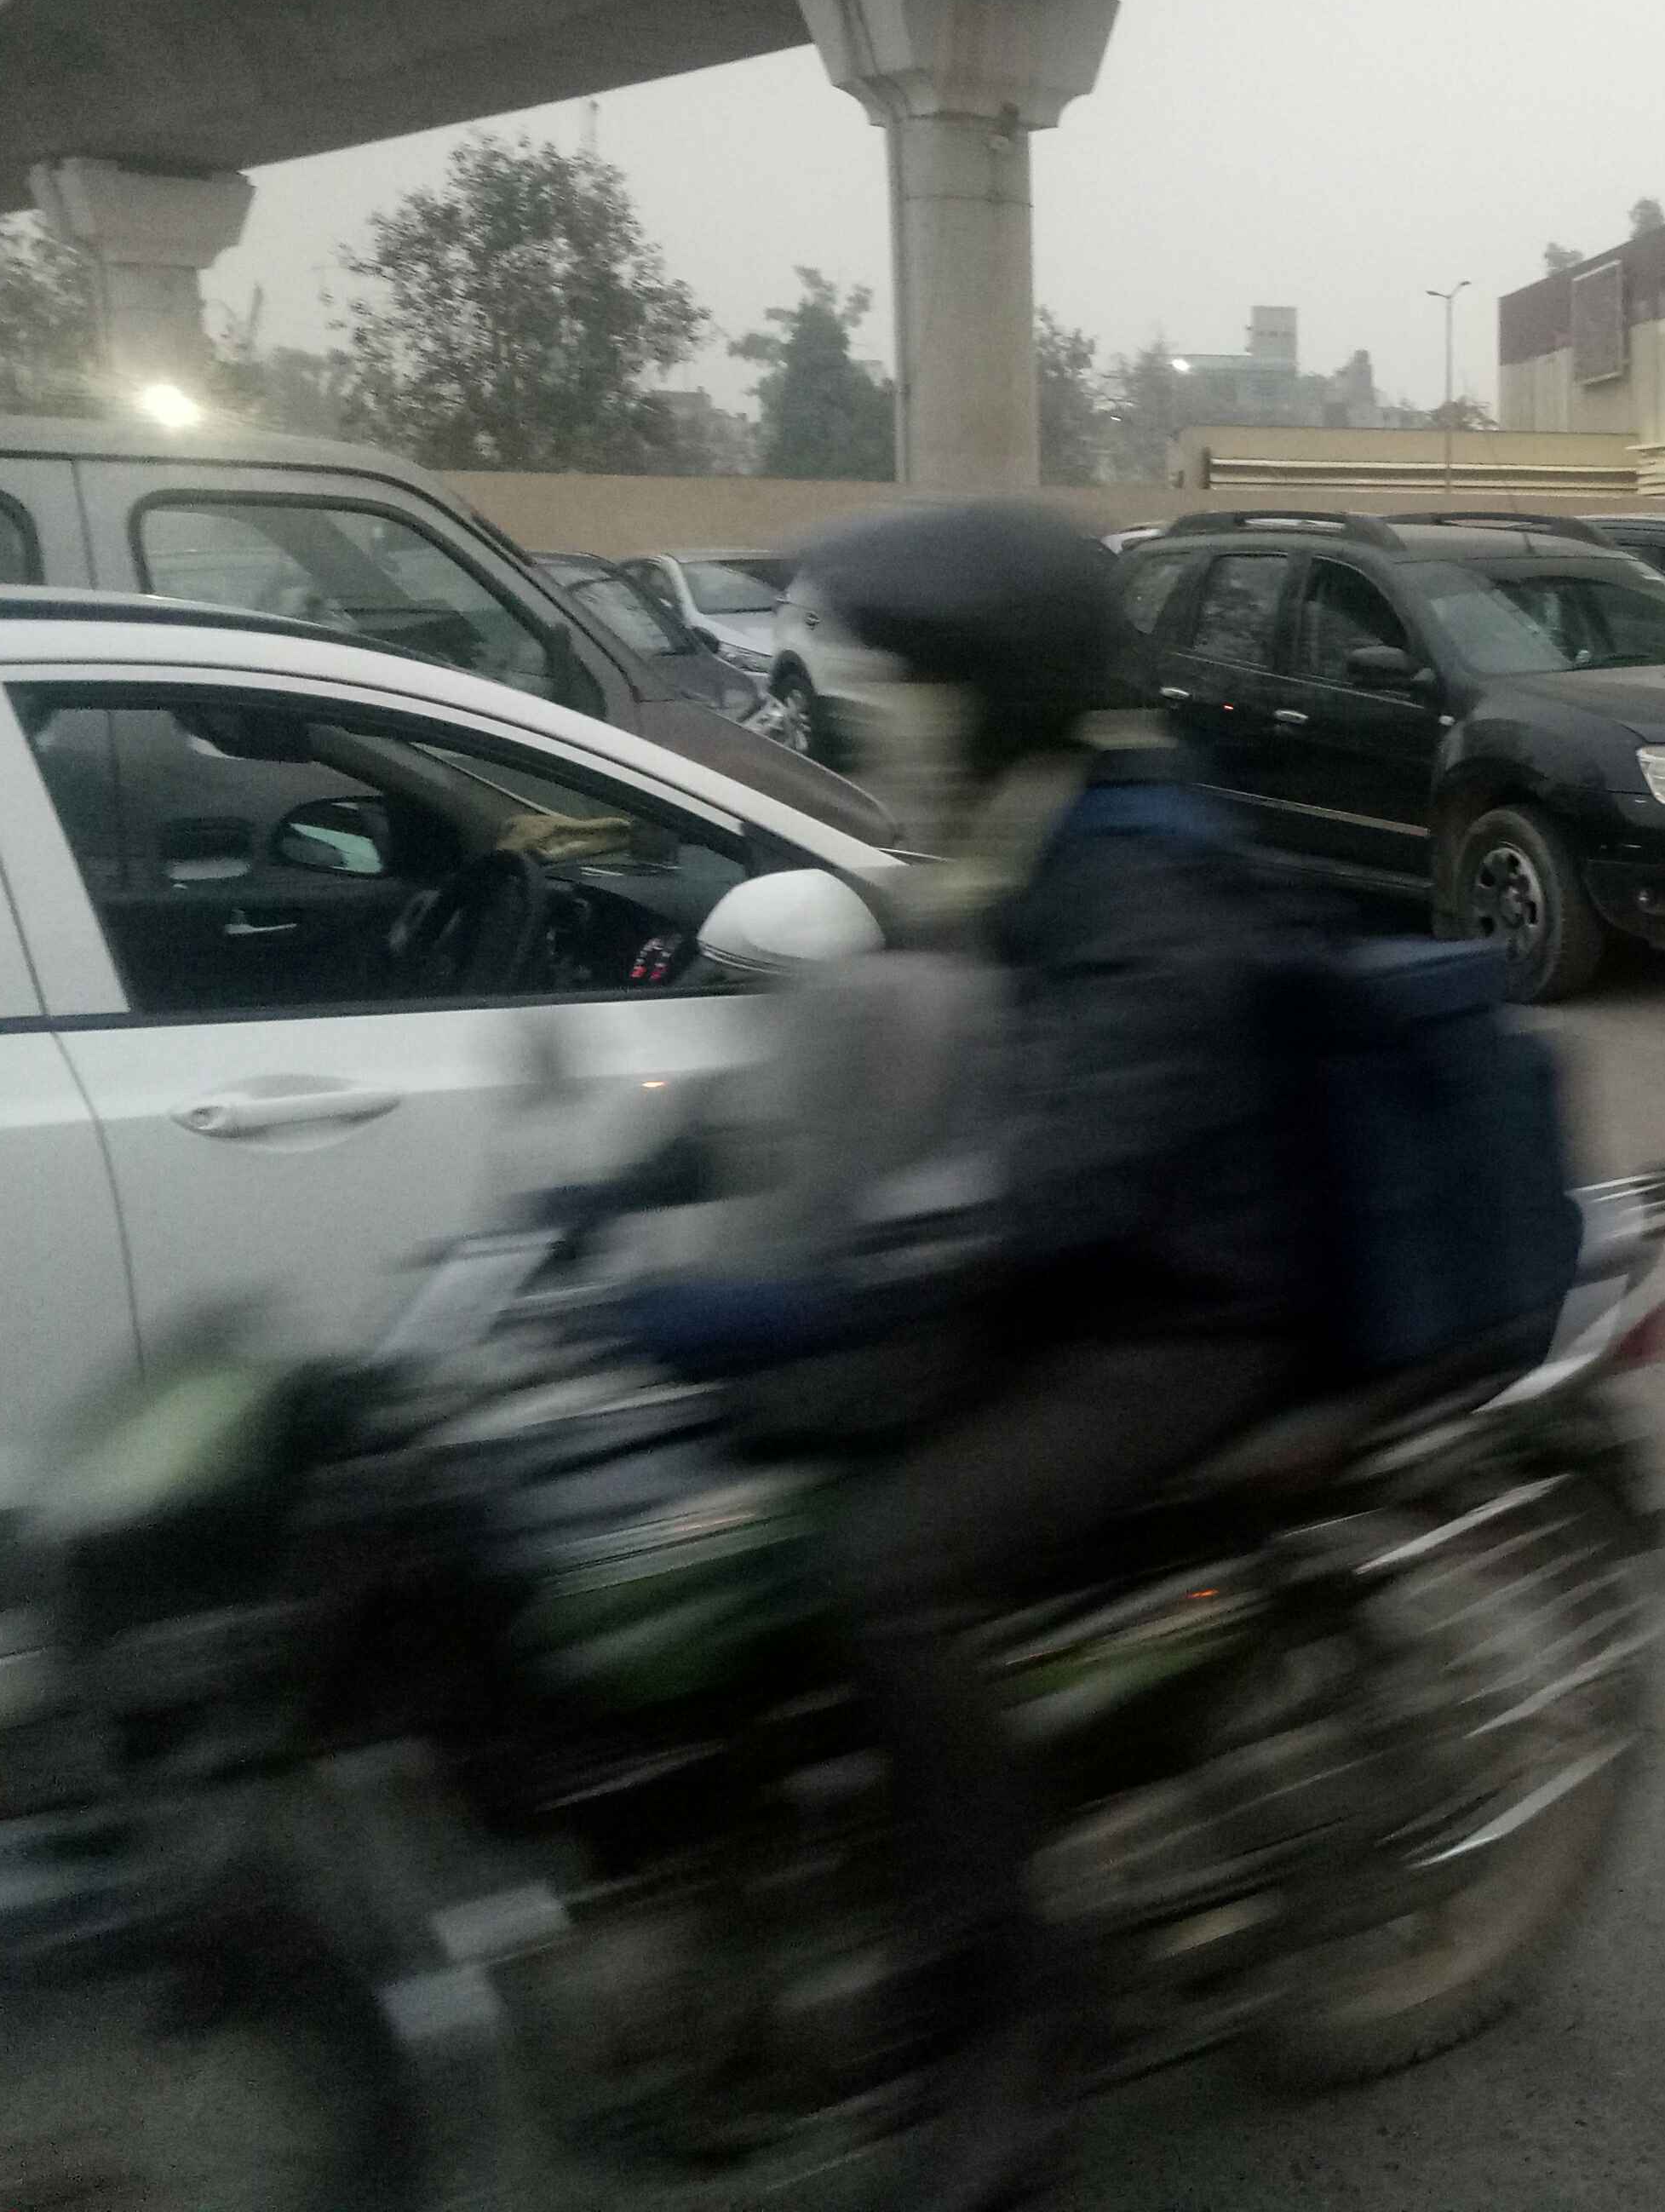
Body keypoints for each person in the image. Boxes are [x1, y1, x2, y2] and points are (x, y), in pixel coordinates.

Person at [605, 500, 1312, 2209]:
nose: (871, 720)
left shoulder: (1146, 865)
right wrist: (633, 1179)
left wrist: (807, 1298)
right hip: (1059, 1286)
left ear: (997, 690)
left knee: (885, 1570)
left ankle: (1022, 2006)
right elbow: (890, 1055)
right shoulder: (1018, 824)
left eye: (902, 689)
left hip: (1181, 1315)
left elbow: (1053, 1182)